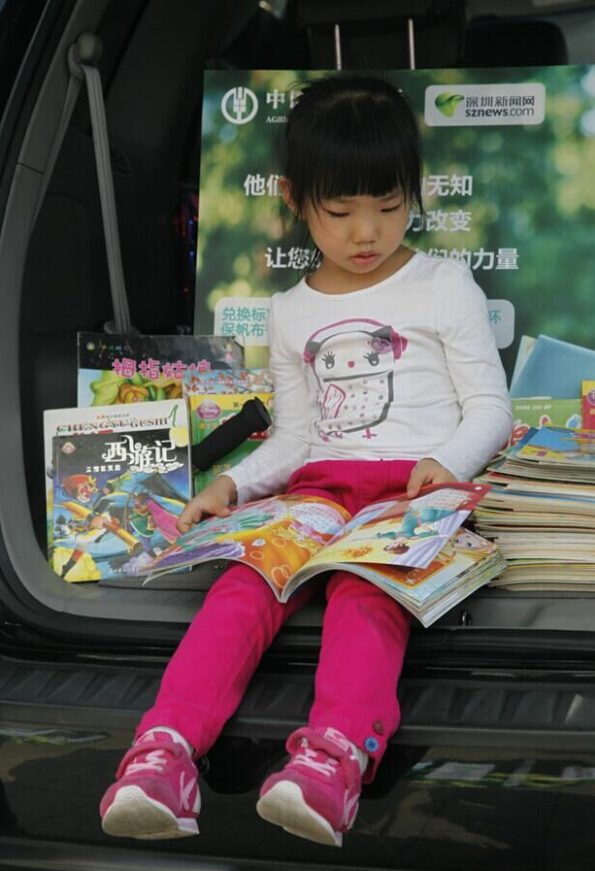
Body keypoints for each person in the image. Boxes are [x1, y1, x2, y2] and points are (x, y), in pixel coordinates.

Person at [99, 74, 512, 847]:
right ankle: (163, 752)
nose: (367, 231)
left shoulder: (441, 283)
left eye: (388, 205)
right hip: (317, 493)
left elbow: (490, 406)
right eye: (341, 211)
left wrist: (446, 462)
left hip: (409, 496)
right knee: (244, 583)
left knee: (363, 590)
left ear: (414, 192)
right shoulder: (290, 311)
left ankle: (332, 763)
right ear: (295, 199)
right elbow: (293, 439)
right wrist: (231, 483)